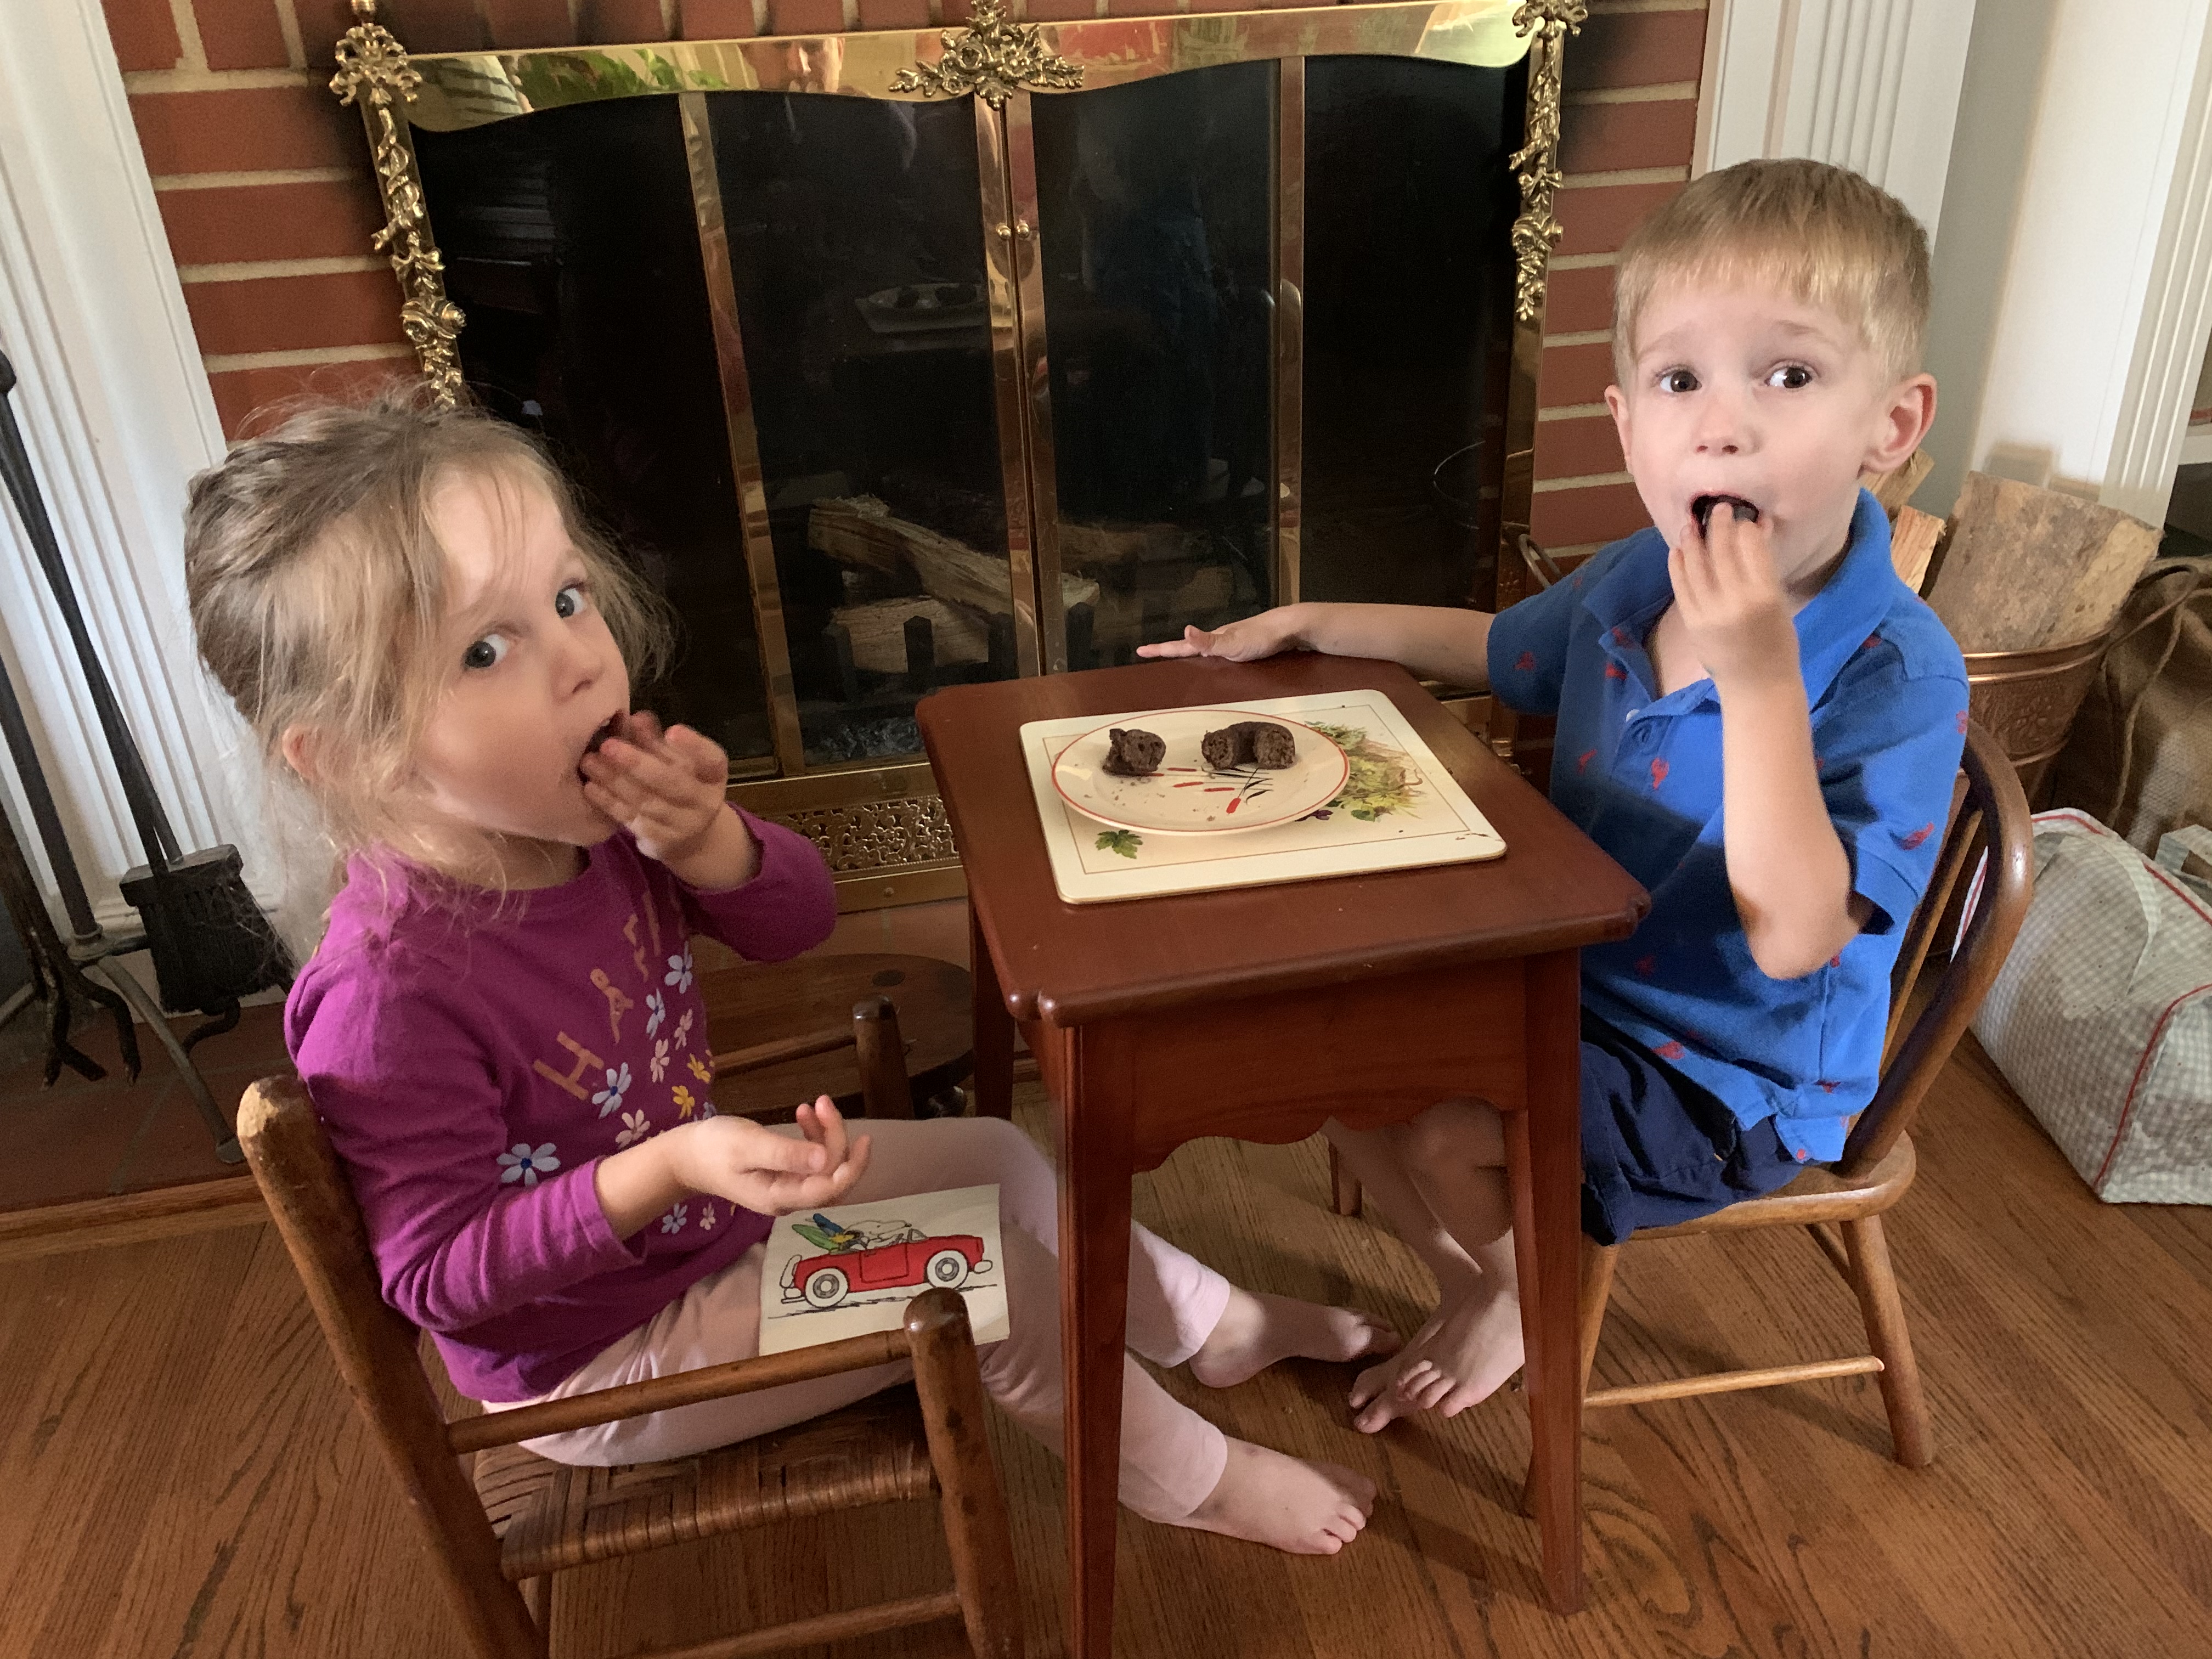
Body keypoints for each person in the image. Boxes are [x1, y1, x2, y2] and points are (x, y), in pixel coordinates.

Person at [185, 394, 1399, 1553]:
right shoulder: (389, 993)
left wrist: (711, 843)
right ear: (348, 753)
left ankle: (1210, 1327)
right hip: (605, 1352)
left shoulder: (593, 833)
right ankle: (1204, 1483)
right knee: (998, 1289)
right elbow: (441, 1277)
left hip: (706, 1219)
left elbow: (797, 923)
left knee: (997, 1155)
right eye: (487, 650)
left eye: (567, 597)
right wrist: (669, 1167)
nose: (580, 664)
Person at [1140, 159, 1970, 1432]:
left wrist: (1758, 680)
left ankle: (1520, 1295)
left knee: (1444, 1133)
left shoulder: (1894, 673)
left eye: (1788, 375)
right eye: (1680, 381)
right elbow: (1500, 649)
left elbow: (1797, 939)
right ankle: (1483, 1279)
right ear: (1627, 426)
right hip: (1569, 966)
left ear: (1892, 426)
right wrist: (1309, 619)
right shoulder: (1640, 573)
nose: (1723, 425)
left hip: (1735, 1073)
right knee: (1325, 1048)